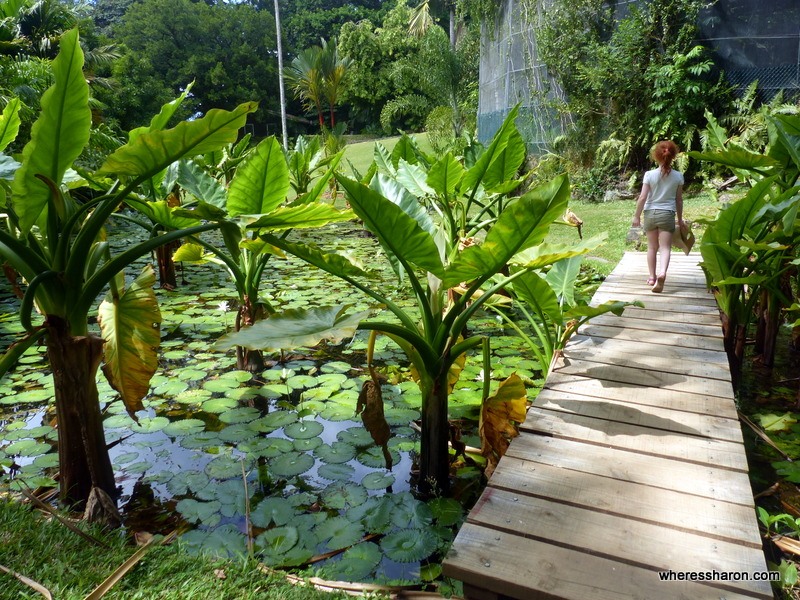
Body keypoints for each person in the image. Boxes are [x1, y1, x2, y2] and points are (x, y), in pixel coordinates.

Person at [631, 140, 685, 293]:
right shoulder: (678, 176)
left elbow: (642, 198)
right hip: (667, 214)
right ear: (673, 155)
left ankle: (652, 277)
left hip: (650, 214)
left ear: (656, 156)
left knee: (652, 247)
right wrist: (680, 220)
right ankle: (662, 273)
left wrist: (636, 216)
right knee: (665, 247)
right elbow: (679, 200)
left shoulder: (649, 175)